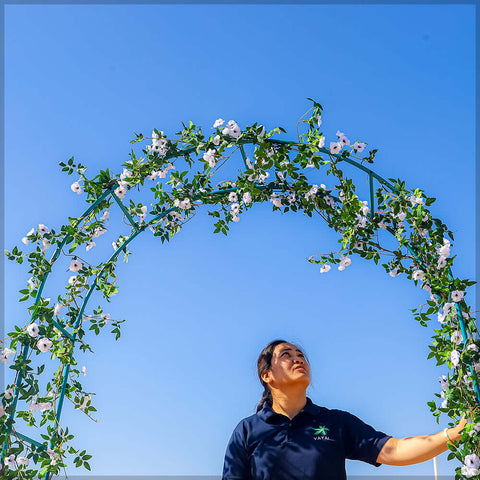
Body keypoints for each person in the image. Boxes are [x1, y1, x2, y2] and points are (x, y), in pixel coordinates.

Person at [222, 339, 467, 480]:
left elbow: (394, 450)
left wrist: (455, 434)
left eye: (301, 355)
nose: (299, 359)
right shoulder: (247, 430)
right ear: (267, 375)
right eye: (286, 355)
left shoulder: (336, 422)